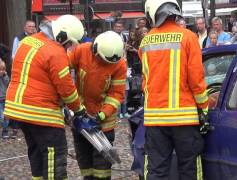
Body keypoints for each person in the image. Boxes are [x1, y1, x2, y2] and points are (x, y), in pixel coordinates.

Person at [4, 14, 86, 179]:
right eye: (69, 43)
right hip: (41, 112)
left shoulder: (27, 42)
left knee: (36, 155)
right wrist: (79, 109)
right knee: (54, 155)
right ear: (62, 36)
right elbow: (66, 88)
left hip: (19, 109)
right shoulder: (55, 51)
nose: (69, 46)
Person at [139, 0, 209, 179]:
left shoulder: (146, 42)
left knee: (156, 170)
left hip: (155, 119)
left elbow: (145, 81)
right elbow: (196, 79)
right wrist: (204, 108)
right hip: (184, 119)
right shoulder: (188, 37)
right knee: (189, 168)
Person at [68, 31, 127, 180]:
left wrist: (102, 114)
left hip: (103, 125)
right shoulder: (82, 51)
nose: (106, 65)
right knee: (85, 163)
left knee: (102, 169)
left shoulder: (119, 64)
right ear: (95, 50)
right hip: (80, 118)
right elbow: (62, 67)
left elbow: (116, 94)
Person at [0, 60, 9, 139]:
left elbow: (7, 83)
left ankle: (5, 131)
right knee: (1, 117)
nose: (1, 71)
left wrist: (4, 76)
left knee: (5, 116)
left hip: (4, 98)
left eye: (2, 69)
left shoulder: (5, 77)